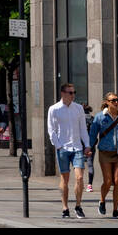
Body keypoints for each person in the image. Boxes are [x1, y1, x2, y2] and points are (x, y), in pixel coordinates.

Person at [47, 82, 92, 217]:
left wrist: (87, 145)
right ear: (63, 93)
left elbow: (83, 129)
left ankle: (78, 206)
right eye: (70, 93)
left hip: (77, 147)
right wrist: (59, 146)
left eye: (74, 93)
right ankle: (65, 207)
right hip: (63, 148)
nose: (73, 95)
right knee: (64, 179)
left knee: (79, 177)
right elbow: (51, 130)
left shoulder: (78, 108)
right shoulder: (54, 109)